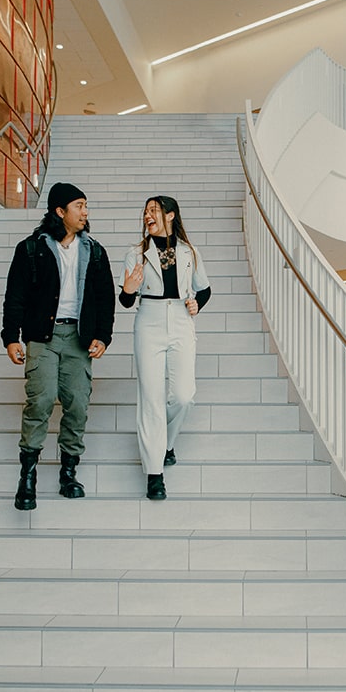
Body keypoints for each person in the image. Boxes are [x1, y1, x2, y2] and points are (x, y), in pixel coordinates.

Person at [1, 183, 116, 510]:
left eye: (86, 205)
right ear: (59, 211)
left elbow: (105, 298)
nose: (86, 212)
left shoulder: (94, 250)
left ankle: (69, 471)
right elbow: (15, 296)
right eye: (79, 205)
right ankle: (28, 475)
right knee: (39, 402)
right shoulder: (31, 249)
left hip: (78, 340)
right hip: (43, 338)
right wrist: (11, 336)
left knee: (78, 403)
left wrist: (103, 335)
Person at [119, 195, 211, 500]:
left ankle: (167, 443)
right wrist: (128, 290)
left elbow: (205, 288)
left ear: (170, 215)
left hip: (182, 320)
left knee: (184, 395)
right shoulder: (136, 253)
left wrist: (197, 302)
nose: (148, 215)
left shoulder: (190, 252)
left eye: (154, 210)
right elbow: (127, 299)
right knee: (151, 398)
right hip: (149, 320)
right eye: (145, 211)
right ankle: (154, 472)